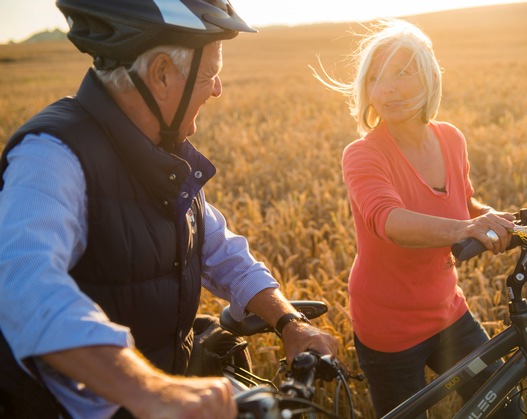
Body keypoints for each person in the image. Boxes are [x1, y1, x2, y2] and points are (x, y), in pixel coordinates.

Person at [0, 0, 337, 418]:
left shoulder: (162, 154)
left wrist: (289, 322)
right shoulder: (53, 154)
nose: (217, 89)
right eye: (211, 73)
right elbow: (21, 284)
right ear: (161, 73)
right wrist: (152, 390)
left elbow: (219, 248)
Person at [313, 19, 520, 417]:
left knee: (502, 403)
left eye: (402, 72)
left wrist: (492, 218)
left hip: (448, 312)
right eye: (376, 77)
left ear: (428, 76)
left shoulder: (450, 138)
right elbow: (388, 221)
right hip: (388, 327)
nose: (387, 88)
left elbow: (465, 205)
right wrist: (467, 228)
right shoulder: (363, 154)